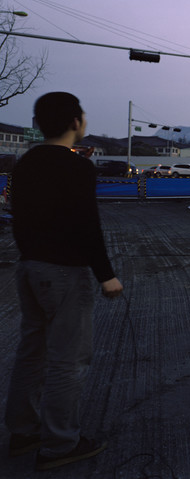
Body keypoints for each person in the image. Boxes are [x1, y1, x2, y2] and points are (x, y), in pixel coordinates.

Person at [5, 92, 123, 471]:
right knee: (67, 360)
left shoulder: (24, 165)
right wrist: (107, 276)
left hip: (30, 269)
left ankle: (23, 430)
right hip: (64, 273)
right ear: (76, 123)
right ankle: (59, 444)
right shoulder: (76, 168)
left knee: (32, 351)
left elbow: (20, 218)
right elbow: (86, 227)